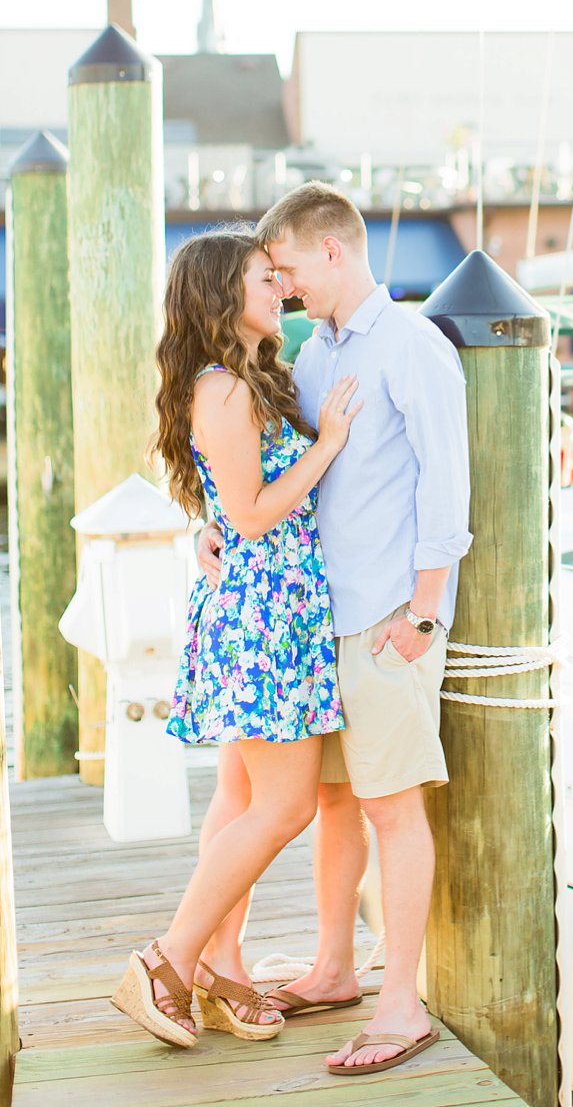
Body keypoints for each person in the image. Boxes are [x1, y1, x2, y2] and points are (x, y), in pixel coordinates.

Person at [196, 182, 472, 1076]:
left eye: (288, 270)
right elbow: (265, 475)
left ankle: (402, 1003)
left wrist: (425, 612)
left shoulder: (413, 346)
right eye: (269, 276)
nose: (284, 287)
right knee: (334, 802)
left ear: (333, 253)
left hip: (389, 618)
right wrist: (207, 526)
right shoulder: (312, 354)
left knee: (394, 807)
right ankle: (334, 969)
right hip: (321, 620)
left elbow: (446, 487)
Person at [111, 230, 360, 1047]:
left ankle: (221, 966)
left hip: (267, 607)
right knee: (284, 804)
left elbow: (227, 506)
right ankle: (168, 961)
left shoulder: (246, 380)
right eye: (265, 278)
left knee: (242, 799)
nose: (282, 290)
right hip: (264, 617)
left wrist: (208, 526)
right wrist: (327, 447)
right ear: (224, 296)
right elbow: (252, 512)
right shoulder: (224, 388)